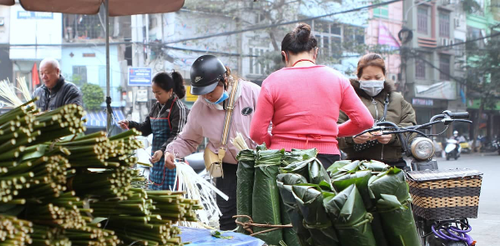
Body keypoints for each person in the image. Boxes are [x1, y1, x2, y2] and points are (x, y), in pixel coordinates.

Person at [249, 23, 374, 169]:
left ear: (285, 55)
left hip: (284, 158)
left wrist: (276, 143)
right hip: (327, 158)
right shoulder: (337, 79)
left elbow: (257, 133)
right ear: (315, 52)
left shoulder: (272, 81)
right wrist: (333, 131)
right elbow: (365, 121)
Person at [164, 55, 261, 230]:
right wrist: (171, 152)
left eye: (210, 90)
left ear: (224, 79)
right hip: (227, 167)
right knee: (227, 218)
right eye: (202, 92)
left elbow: (273, 126)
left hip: (258, 166)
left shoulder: (252, 93)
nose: (207, 96)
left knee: (258, 215)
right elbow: (188, 139)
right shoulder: (200, 108)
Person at [338, 53, 416, 169]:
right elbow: (334, 130)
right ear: (359, 78)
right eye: (367, 78)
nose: (373, 81)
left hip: (394, 165)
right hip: (358, 167)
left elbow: (411, 129)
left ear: (384, 76)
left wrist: (392, 136)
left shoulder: (398, 99)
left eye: (378, 77)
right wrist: (352, 138)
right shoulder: (348, 99)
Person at [118, 71, 188, 190]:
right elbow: (145, 129)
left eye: (159, 93)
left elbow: (177, 136)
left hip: (171, 160)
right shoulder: (156, 107)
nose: (156, 96)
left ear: (170, 91)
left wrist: (162, 151)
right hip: (156, 160)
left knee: (170, 199)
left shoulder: (178, 108)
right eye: (154, 92)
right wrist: (130, 125)